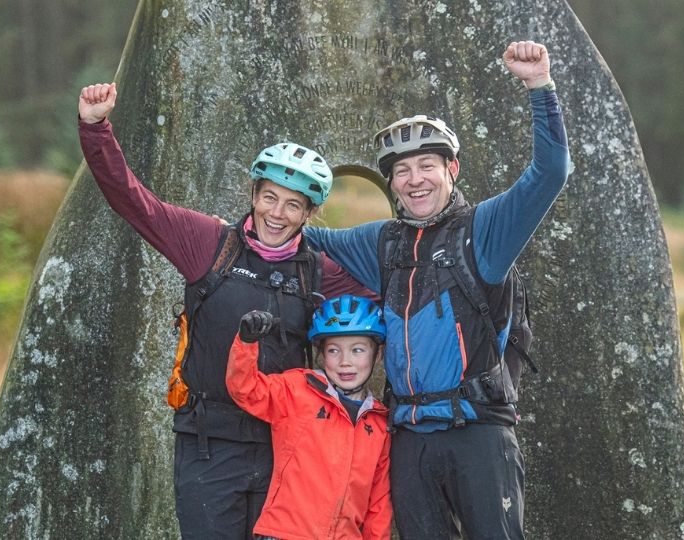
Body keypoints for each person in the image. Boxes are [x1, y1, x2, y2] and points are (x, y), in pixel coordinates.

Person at [302, 41, 571, 539]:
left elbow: (550, 174)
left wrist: (539, 87)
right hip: (409, 440)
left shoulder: (485, 229)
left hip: (480, 433)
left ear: (453, 169)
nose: (414, 179)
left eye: (427, 164)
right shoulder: (382, 241)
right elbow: (296, 233)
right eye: (401, 171)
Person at [78, 83, 370, 539]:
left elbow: (390, 299)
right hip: (208, 443)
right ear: (254, 193)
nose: (278, 213)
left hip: (284, 445)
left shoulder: (318, 270)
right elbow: (134, 202)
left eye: (294, 204)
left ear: (308, 213)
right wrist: (96, 129)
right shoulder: (210, 245)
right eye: (270, 196)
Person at [226, 295, 392, 540]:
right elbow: (245, 389)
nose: (346, 362)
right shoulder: (298, 390)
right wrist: (246, 342)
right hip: (285, 534)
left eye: (357, 350)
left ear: (377, 354)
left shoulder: (378, 423)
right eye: (334, 350)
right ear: (322, 355)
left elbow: (378, 502)